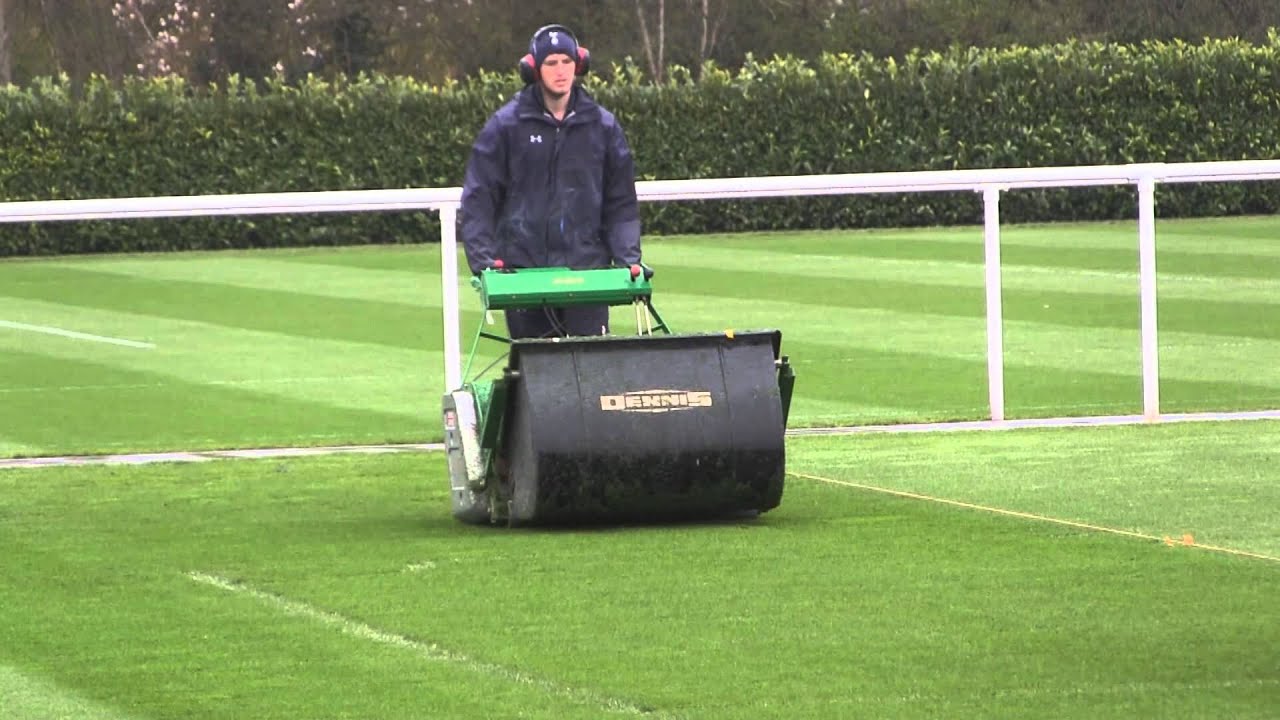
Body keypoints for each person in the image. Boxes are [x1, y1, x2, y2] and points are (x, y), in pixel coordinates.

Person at [460, 23, 644, 339]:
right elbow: (479, 198)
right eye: (551, 63)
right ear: (534, 68)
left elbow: (621, 203)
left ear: (579, 65)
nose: (560, 71)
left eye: (566, 62)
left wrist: (629, 259)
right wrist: (484, 261)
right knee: (535, 376)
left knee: (592, 376)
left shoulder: (603, 126)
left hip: (588, 276)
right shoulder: (505, 126)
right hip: (523, 275)